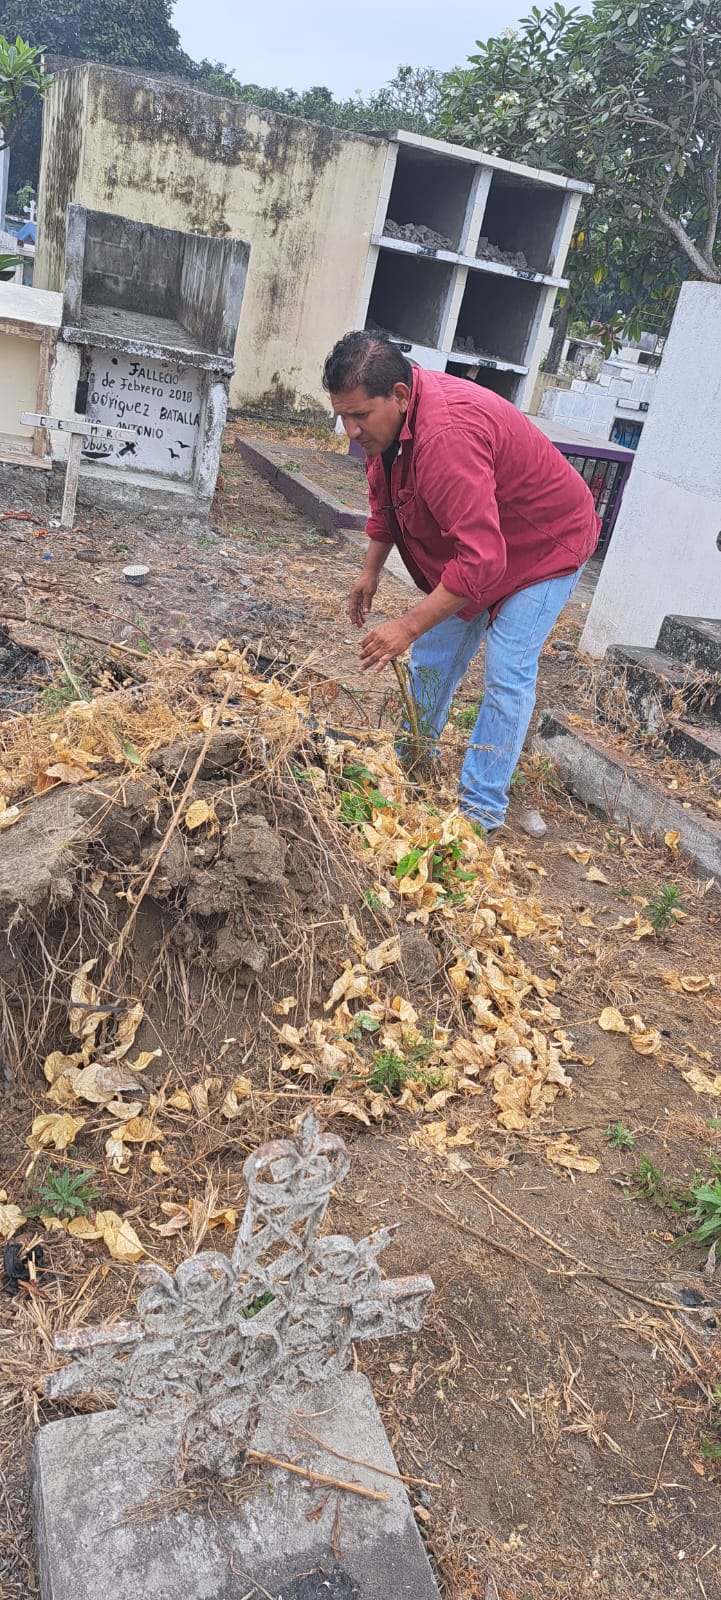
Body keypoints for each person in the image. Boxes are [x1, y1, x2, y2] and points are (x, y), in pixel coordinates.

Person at [322, 330, 600, 837]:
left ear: (399, 395)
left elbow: (482, 562)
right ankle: (408, 767)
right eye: (343, 416)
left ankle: (480, 812)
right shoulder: (386, 430)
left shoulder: (445, 438)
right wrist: (370, 569)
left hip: (544, 542)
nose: (351, 431)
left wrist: (407, 626)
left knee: (507, 668)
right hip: (482, 544)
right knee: (433, 656)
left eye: (359, 415)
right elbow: (387, 500)